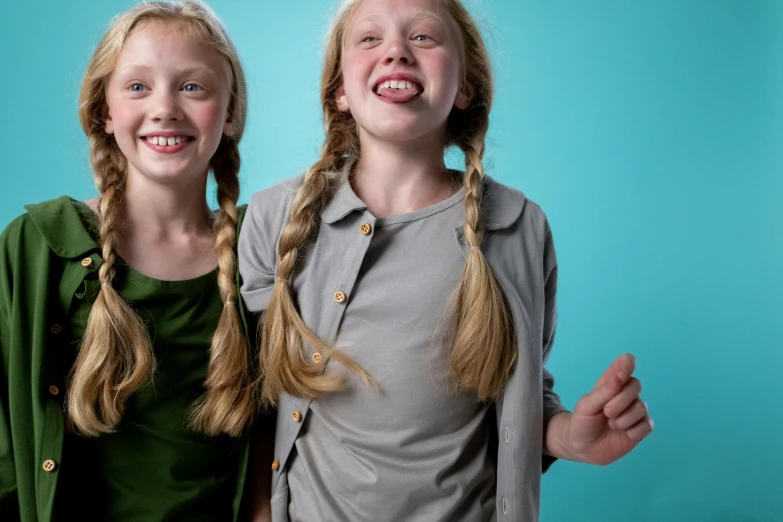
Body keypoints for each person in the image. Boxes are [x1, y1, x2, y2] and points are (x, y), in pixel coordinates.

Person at [239, 0, 652, 520]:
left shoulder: (518, 227)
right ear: (339, 90)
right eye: (369, 40)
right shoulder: (275, 218)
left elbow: (522, 397)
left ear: (464, 88)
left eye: (424, 38)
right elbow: (258, 404)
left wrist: (573, 437)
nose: (396, 52)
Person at [0, 1, 267, 520]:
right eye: (138, 86)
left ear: (230, 112)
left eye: (193, 87)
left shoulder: (260, 252)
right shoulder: (37, 244)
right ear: (105, 110)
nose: (165, 108)